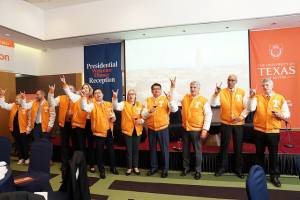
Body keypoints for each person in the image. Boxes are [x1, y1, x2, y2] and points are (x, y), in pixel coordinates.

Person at [248, 78, 290, 187]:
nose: (265, 87)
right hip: (259, 131)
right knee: (259, 155)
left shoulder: (280, 98)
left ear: (272, 85)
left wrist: (281, 115)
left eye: (267, 85)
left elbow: (287, 114)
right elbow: (251, 108)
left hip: (273, 131)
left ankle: (274, 176)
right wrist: (251, 97)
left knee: (273, 155)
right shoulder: (257, 97)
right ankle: (259, 176)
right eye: (263, 85)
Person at [171, 78, 212, 180]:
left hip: (197, 130)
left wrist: (205, 129)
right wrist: (173, 86)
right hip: (185, 129)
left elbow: (208, 115)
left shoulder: (203, 100)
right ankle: (186, 168)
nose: (192, 89)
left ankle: (198, 171)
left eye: (195, 87)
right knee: (185, 150)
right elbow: (174, 96)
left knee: (198, 151)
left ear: (199, 89)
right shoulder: (185, 97)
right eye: (191, 87)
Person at [211, 74, 249, 178]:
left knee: (238, 146)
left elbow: (247, 107)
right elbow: (213, 104)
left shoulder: (242, 92)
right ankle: (222, 168)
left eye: (232, 80)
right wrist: (215, 94)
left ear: (236, 81)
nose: (230, 82)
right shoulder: (221, 91)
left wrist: (241, 117)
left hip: (238, 123)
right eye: (229, 80)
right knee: (223, 147)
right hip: (226, 123)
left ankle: (239, 169)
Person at [60, 75, 96, 173]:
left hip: (89, 124)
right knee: (80, 145)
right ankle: (81, 164)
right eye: (83, 88)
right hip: (79, 125)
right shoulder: (77, 98)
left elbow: (87, 109)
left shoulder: (93, 100)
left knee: (91, 145)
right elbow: (68, 92)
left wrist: (84, 98)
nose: (84, 89)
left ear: (89, 90)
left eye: (86, 88)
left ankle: (92, 164)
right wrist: (64, 83)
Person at [81, 88, 119, 179]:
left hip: (109, 131)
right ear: (94, 96)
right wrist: (83, 98)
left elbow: (113, 116)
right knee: (99, 152)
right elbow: (84, 108)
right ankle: (102, 170)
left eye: (99, 93)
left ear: (103, 95)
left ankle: (113, 168)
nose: (98, 94)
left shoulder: (108, 104)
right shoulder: (92, 105)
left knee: (111, 151)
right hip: (98, 132)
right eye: (96, 93)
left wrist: (113, 118)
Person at [142, 83, 177, 178]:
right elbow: (143, 115)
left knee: (164, 150)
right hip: (151, 129)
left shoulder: (166, 99)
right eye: (154, 89)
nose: (156, 90)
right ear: (151, 91)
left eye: (158, 89)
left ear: (161, 90)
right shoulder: (147, 100)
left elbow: (174, 109)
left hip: (163, 128)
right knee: (152, 149)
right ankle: (154, 168)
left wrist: (170, 100)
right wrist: (149, 111)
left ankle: (165, 169)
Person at [112, 89, 143, 176]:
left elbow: (145, 115)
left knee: (136, 150)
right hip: (127, 131)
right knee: (129, 150)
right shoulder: (123, 104)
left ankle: (136, 167)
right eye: (129, 94)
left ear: (135, 95)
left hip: (137, 130)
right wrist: (115, 98)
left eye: (132, 94)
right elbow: (115, 107)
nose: (131, 96)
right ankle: (129, 168)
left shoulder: (139, 104)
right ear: (127, 96)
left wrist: (142, 120)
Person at [48, 84, 75, 173]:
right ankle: (64, 164)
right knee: (64, 145)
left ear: (74, 91)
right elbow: (51, 103)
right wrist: (51, 93)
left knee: (75, 145)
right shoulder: (61, 97)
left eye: (71, 89)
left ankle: (75, 164)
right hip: (64, 125)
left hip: (75, 125)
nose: (69, 90)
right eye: (68, 88)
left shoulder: (77, 98)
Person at [0, 89, 30, 164]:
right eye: (16, 98)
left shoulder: (26, 107)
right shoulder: (13, 105)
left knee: (24, 144)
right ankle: (21, 158)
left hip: (23, 129)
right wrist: (2, 96)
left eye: (17, 98)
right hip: (14, 129)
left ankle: (26, 158)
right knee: (18, 144)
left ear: (22, 99)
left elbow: (30, 119)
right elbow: (3, 105)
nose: (16, 99)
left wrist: (28, 128)